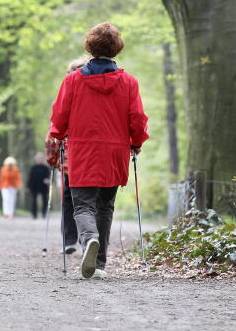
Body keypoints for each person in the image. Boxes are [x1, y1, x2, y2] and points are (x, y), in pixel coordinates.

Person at [49, 22, 149, 279]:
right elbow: (137, 118)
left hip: (82, 151)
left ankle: (89, 239)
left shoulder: (72, 81)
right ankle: (100, 264)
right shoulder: (129, 82)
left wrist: (57, 136)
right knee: (105, 206)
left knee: (82, 206)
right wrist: (136, 141)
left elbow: (59, 115)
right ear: (116, 48)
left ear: (90, 47)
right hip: (114, 153)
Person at [45, 57, 90, 254]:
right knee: (90, 200)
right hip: (93, 157)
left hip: (69, 161)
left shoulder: (67, 92)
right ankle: (87, 240)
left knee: (69, 200)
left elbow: (54, 130)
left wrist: (52, 159)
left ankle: (70, 241)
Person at [27, 153, 51, 219]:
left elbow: (49, 177)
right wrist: (28, 186)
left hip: (43, 186)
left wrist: (48, 180)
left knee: (45, 200)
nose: (40, 160)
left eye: (41, 158)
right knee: (34, 200)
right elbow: (30, 177)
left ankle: (44, 213)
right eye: (38, 158)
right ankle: (34, 214)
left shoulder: (46, 168)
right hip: (34, 186)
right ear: (36, 160)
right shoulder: (33, 168)